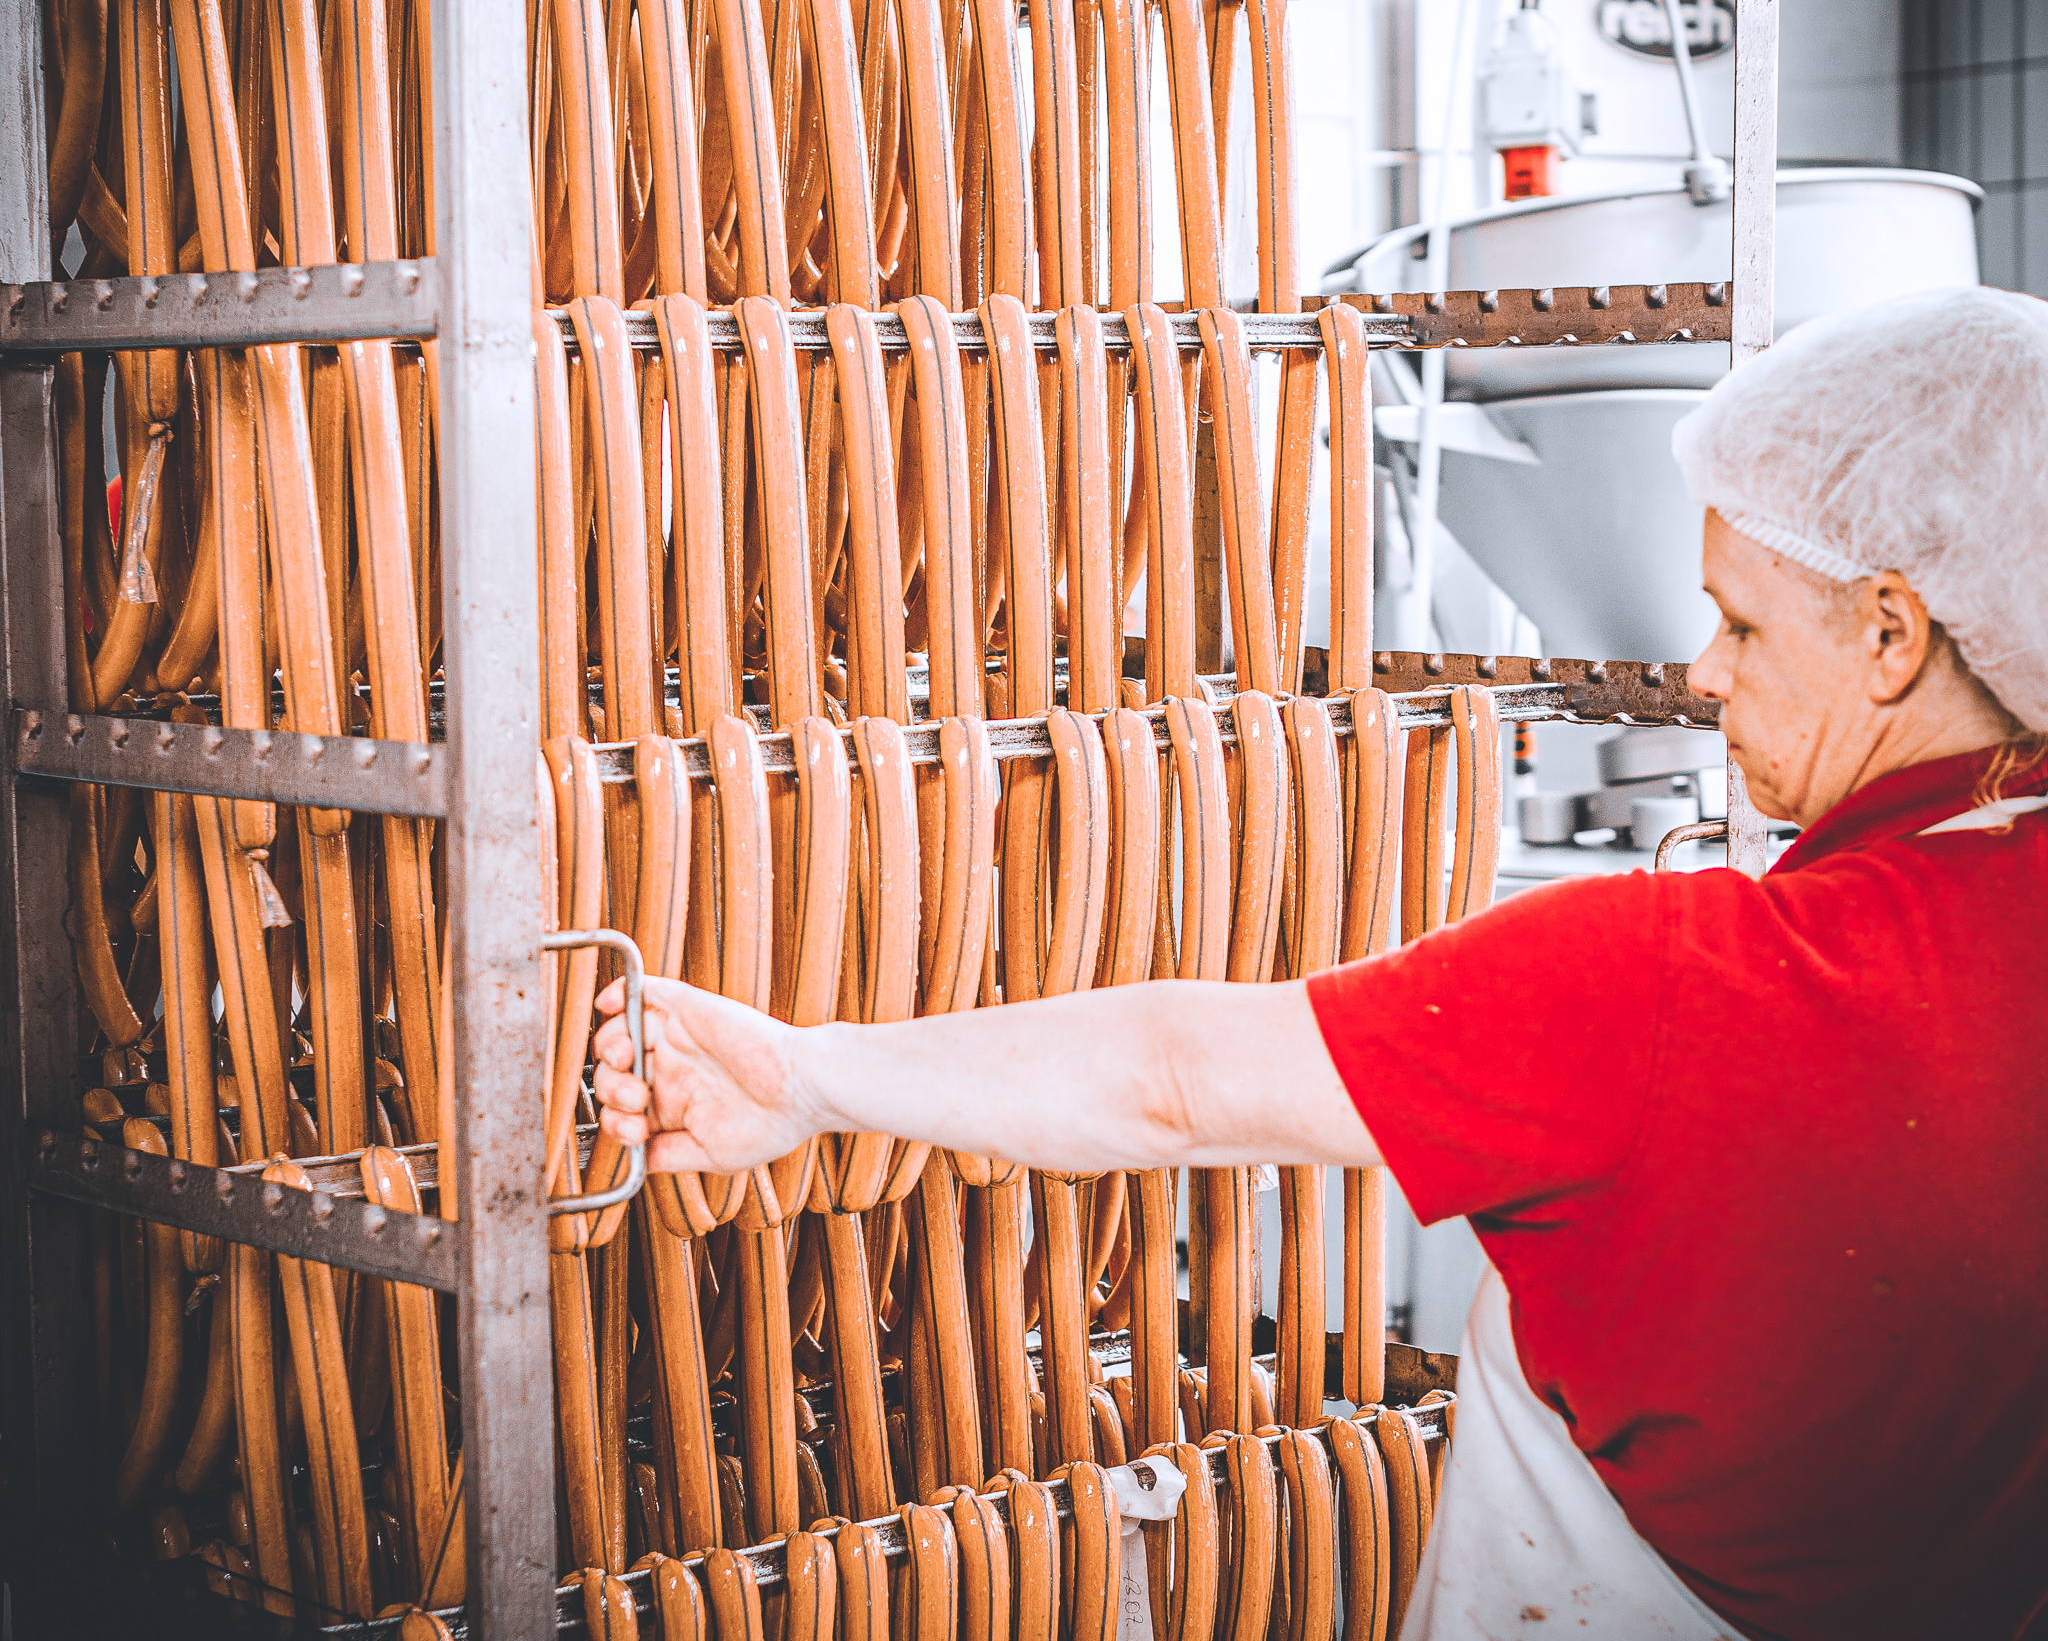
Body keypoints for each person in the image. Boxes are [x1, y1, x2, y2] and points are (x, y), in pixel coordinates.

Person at [592, 287, 2048, 1641]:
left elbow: (1170, 1082)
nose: (1705, 671)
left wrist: (800, 1076)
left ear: (1890, 635)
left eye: (1741, 621)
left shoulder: (1680, 981)